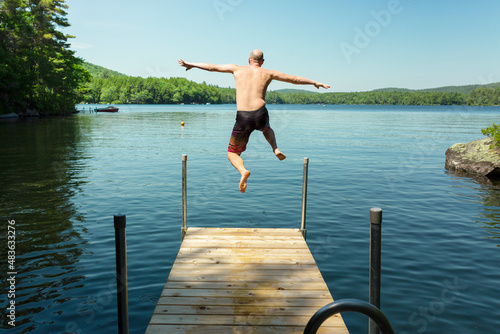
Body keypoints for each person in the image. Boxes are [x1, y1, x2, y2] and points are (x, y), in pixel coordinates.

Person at [178, 49, 330, 193]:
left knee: (232, 153)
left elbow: (212, 67)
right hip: (260, 113)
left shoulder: (237, 69)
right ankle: (275, 148)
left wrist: (191, 64)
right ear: (262, 61)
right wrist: (315, 82)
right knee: (266, 128)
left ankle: (243, 171)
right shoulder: (268, 73)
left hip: (243, 116)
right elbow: (294, 79)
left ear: (248, 60)